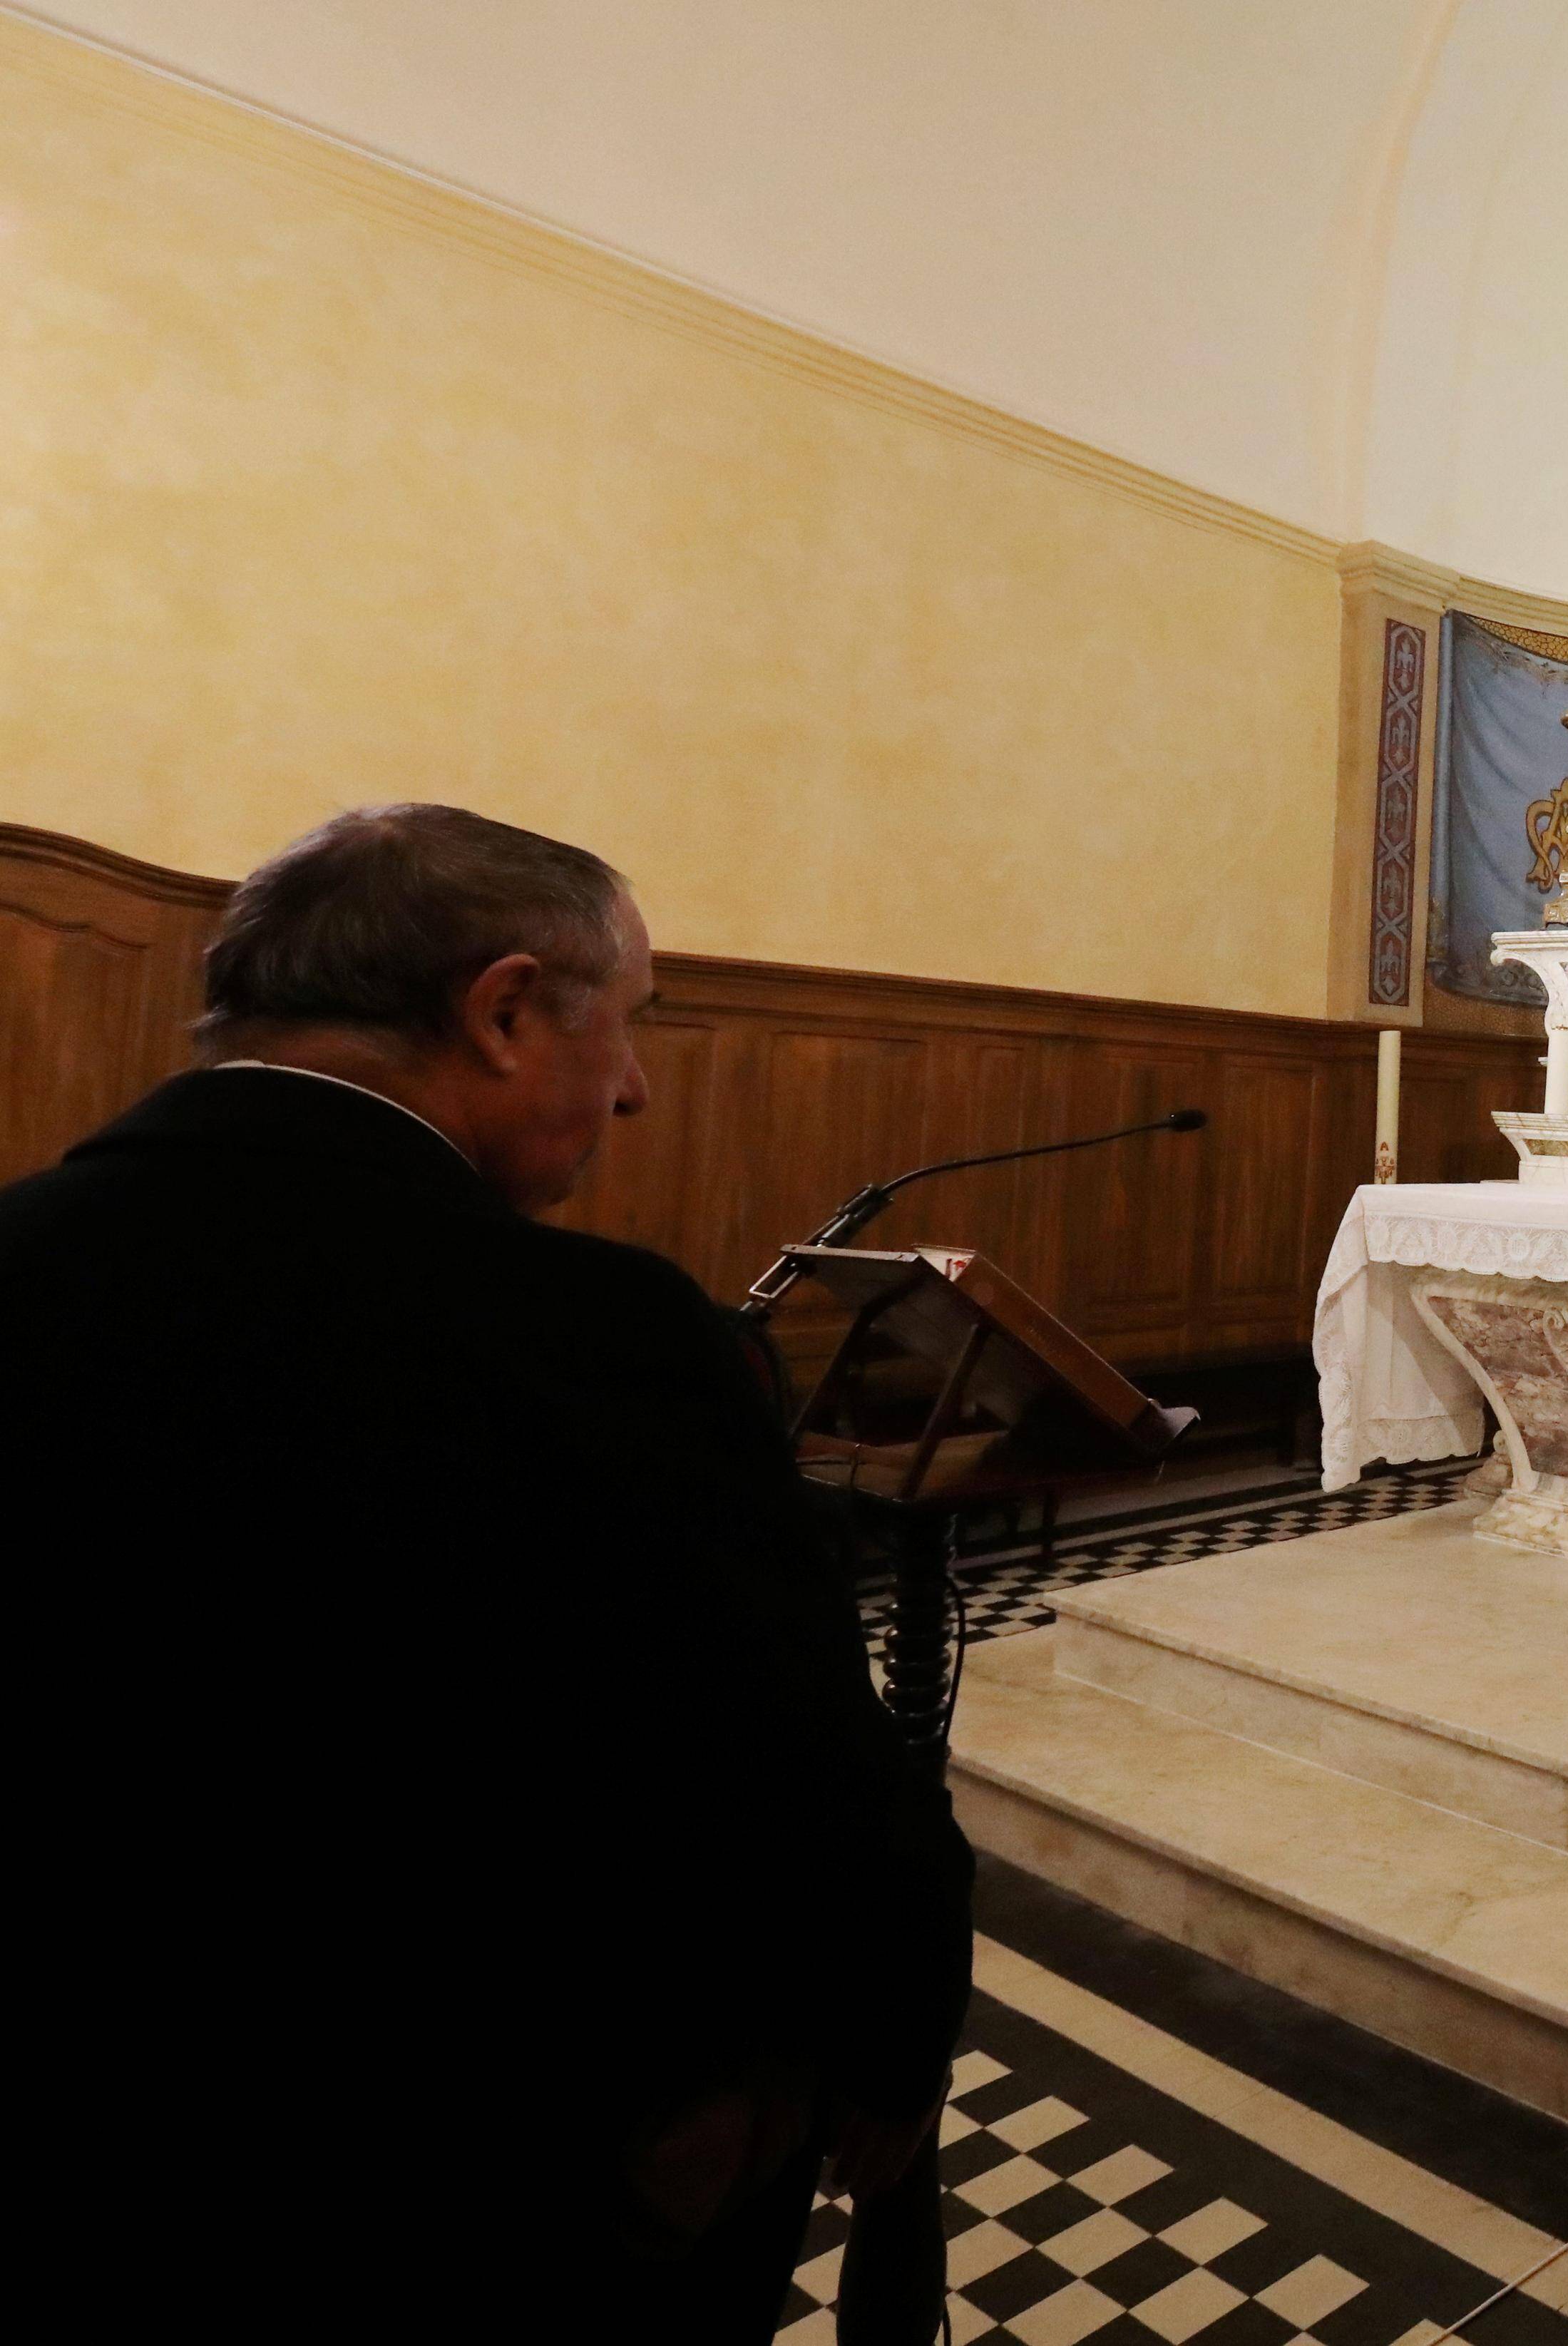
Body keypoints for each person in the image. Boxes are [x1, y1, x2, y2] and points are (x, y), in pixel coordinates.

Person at [1, 805, 972, 2339]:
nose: (637, 1088)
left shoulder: (26, 1250)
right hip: (497, 2186)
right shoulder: (600, 1330)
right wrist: (893, 2031)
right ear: (506, 1008)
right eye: (630, 1025)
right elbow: (789, 1760)